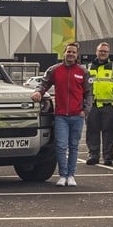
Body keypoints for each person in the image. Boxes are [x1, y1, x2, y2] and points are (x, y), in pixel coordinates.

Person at [36, 42, 92, 186]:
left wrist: (85, 110)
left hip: (77, 116)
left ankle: (71, 175)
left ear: (77, 55)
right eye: (69, 51)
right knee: (61, 146)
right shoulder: (55, 70)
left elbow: (89, 93)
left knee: (73, 146)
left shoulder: (83, 72)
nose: (71, 54)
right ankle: (62, 175)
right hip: (61, 116)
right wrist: (38, 92)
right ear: (64, 52)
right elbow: (44, 83)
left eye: (73, 52)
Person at [85, 42, 113, 166]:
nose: (102, 53)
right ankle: (93, 155)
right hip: (93, 106)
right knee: (92, 131)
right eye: (101, 51)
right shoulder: (88, 67)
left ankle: (108, 157)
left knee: (109, 132)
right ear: (96, 52)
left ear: (108, 53)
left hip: (110, 106)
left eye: (105, 51)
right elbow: (84, 86)